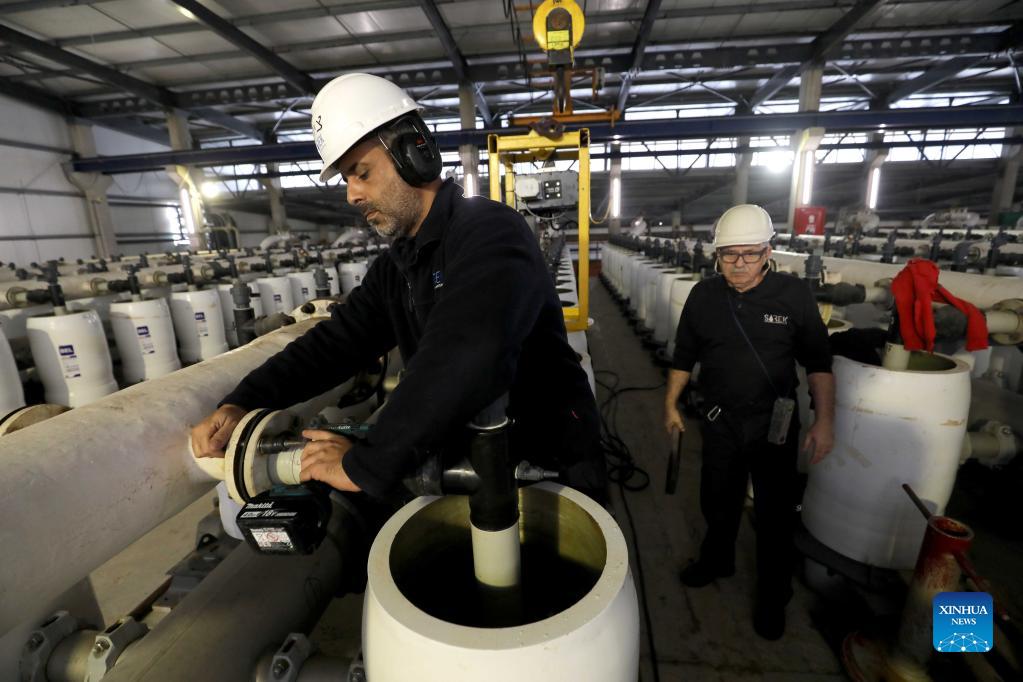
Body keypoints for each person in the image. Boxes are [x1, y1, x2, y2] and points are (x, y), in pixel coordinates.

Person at [190, 73, 605, 503]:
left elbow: (468, 351)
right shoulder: (400, 264)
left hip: (547, 463)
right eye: (346, 179)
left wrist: (367, 463)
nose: (352, 195)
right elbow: (336, 342)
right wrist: (243, 402)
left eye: (361, 173)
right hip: (474, 458)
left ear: (415, 154)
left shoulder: (490, 231)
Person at [662, 204, 835, 640]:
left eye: (750, 254)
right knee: (717, 499)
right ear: (715, 255)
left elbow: (818, 363)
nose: (739, 264)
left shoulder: (793, 295)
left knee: (776, 516)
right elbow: (684, 355)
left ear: (768, 252)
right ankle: (716, 559)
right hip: (720, 420)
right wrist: (670, 405)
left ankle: (773, 595)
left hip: (775, 424)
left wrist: (824, 421)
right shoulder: (704, 296)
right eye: (728, 254)